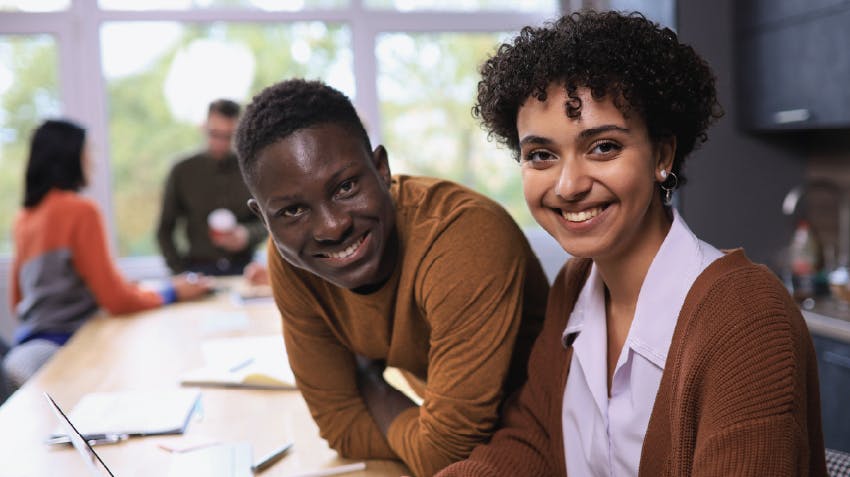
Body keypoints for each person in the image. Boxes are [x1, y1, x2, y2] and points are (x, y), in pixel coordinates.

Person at [438, 10, 827, 476]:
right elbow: (532, 442)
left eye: (603, 147)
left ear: (662, 155)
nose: (568, 185)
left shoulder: (746, 317)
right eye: (541, 155)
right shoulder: (576, 284)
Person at [233, 79, 549, 477]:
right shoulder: (293, 262)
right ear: (264, 220)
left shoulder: (463, 237)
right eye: (293, 211)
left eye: (346, 187)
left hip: (548, 436)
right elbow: (340, 429)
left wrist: (372, 385)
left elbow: (446, 452)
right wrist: (423, 434)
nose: (331, 227)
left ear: (381, 170)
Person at [3, 119, 212, 396]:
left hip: (28, 346)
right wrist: (172, 292)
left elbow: (17, 300)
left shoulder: (24, 219)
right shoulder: (80, 211)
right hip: (68, 346)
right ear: (70, 157)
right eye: (87, 152)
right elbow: (114, 299)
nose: (93, 162)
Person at [157, 99, 266, 276]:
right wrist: (180, 272)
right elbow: (165, 229)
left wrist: (246, 235)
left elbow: (269, 222)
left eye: (229, 136)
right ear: (203, 127)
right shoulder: (182, 170)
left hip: (245, 270)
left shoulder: (251, 168)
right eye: (215, 134)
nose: (221, 143)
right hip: (198, 270)